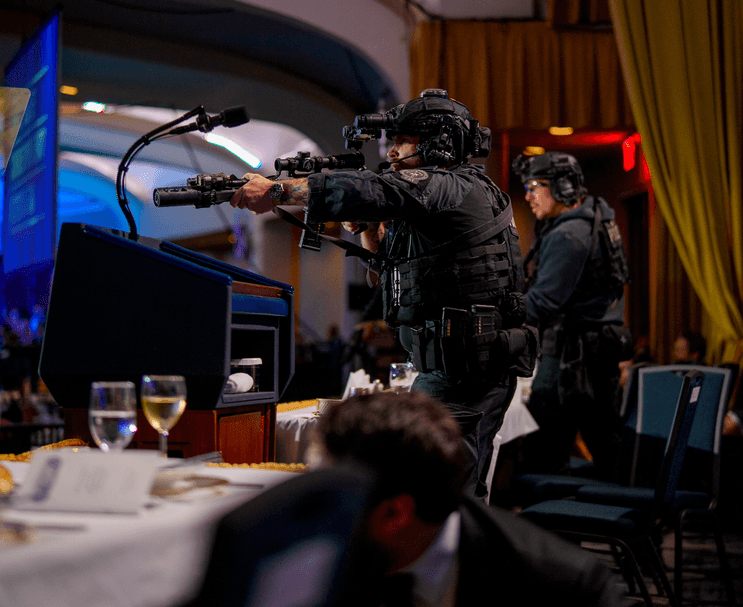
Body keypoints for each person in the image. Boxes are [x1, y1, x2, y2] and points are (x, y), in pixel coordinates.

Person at [231, 89, 534, 497]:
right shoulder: (439, 199)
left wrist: (279, 192)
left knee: (442, 495)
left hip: (464, 371)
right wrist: (371, 230)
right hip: (453, 366)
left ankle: (459, 559)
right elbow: (395, 271)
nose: (391, 152)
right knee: (439, 489)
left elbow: (375, 190)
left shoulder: (452, 186)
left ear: (437, 142)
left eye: (401, 141)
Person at [311, 392, 629, 607]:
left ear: (394, 514)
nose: (310, 509)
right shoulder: (306, 568)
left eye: (325, 494)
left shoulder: (564, 587)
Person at [515, 152, 631, 479]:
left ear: (562, 187)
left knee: (547, 449)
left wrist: (500, 321)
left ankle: (552, 523)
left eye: (534, 186)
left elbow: (543, 301)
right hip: (591, 352)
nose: (528, 195)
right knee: (605, 442)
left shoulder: (569, 235)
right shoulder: (592, 219)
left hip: (573, 357)